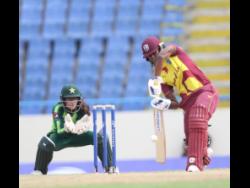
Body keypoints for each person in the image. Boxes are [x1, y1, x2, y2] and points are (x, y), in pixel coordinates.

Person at [141, 36, 219, 172]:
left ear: (160, 47)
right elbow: (175, 103)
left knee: (197, 116)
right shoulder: (161, 76)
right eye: (149, 57)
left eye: (153, 53)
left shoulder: (174, 52)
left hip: (204, 91)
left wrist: (156, 78)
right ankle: (205, 155)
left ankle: (193, 164)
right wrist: (163, 104)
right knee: (190, 141)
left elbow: (161, 56)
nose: (153, 58)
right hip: (188, 103)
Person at [33, 84, 114, 175]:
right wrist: (66, 128)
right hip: (60, 137)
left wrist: (84, 126)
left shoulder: (83, 108)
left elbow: (86, 123)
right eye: (69, 99)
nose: (72, 102)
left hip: (77, 135)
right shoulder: (57, 108)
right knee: (45, 143)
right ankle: (39, 171)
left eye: (74, 99)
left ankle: (110, 167)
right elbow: (59, 129)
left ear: (79, 99)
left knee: (100, 137)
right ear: (63, 100)